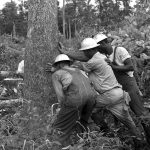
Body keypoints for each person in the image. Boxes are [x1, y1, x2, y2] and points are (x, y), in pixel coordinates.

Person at [59, 38, 141, 139]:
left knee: (87, 108)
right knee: (129, 123)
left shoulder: (94, 61)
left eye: (85, 52)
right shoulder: (101, 56)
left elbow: (77, 68)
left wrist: (59, 67)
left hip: (108, 95)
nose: (84, 54)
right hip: (118, 94)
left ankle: (106, 133)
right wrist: (67, 52)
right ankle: (140, 143)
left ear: (89, 51)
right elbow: (83, 58)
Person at [93, 33, 150, 145]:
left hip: (129, 85)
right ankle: (136, 142)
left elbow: (130, 66)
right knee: (123, 118)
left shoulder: (119, 50)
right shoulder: (103, 55)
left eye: (99, 46)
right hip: (117, 88)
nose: (98, 49)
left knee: (141, 114)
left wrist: (113, 66)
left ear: (104, 43)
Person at [50, 54, 96, 148]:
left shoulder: (57, 74)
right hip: (92, 98)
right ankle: (87, 144)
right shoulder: (79, 70)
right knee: (83, 122)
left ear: (59, 64)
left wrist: (61, 108)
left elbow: (61, 96)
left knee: (59, 127)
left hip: (75, 100)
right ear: (68, 63)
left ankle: (59, 147)